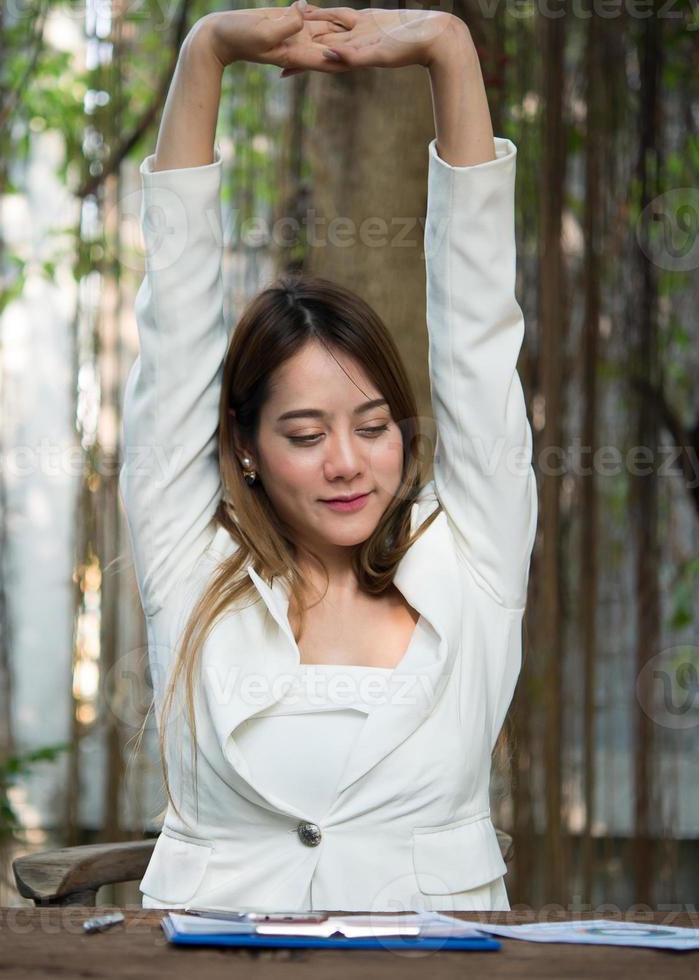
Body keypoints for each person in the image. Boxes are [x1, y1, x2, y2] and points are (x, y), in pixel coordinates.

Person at [120, 0, 538, 912]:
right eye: (305, 436)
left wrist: (448, 53)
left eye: (374, 426)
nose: (348, 462)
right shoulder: (189, 560)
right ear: (248, 447)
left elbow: (476, 326)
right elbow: (177, 318)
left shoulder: (471, 552)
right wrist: (206, 55)